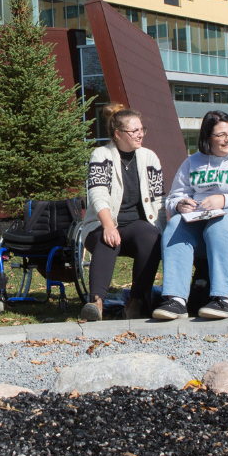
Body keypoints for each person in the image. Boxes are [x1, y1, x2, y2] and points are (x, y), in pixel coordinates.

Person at [153, 111, 228, 320]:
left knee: (220, 226)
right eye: (221, 135)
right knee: (174, 226)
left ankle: (223, 300)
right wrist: (180, 205)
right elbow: (174, 197)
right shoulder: (193, 161)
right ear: (207, 137)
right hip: (201, 219)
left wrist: (226, 200)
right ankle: (176, 300)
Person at [79, 103, 166, 322]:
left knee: (152, 237)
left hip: (136, 226)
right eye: (134, 131)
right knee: (109, 240)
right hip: (102, 224)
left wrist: (164, 230)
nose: (140, 135)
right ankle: (96, 303)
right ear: (118, 134)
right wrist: (108, 225)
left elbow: (158, 200)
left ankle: (134, 302)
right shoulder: (101, 154)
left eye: (141, 130)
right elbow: (97, 194)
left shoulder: (150, 158)